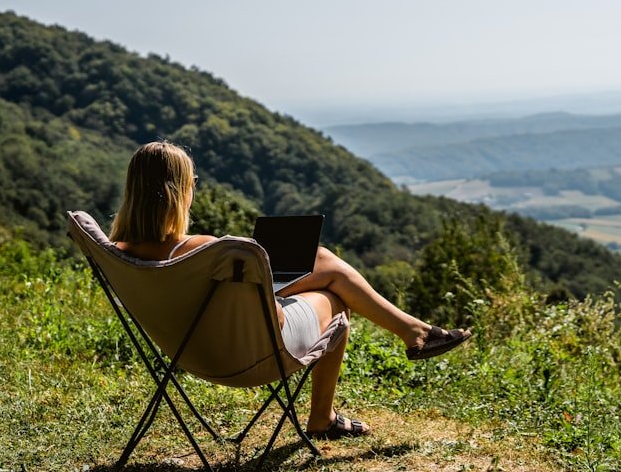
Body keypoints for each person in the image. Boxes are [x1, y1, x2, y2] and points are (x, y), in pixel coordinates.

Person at [109, 140, 471, 439]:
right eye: (193, 182)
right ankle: (324, 416)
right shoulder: (203, 250)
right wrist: (278, 295)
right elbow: (273, 317)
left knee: (322, 261)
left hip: (189, 352)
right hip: (249, 356)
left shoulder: (118, 254)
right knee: (336, 298)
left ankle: (415, 331)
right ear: (180, 191)